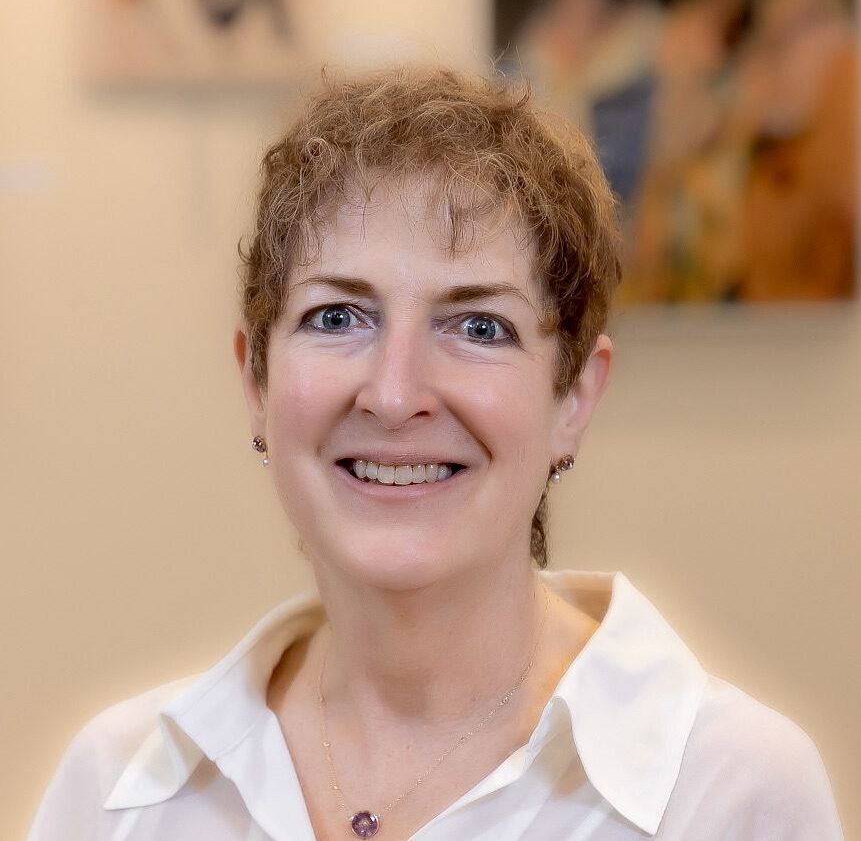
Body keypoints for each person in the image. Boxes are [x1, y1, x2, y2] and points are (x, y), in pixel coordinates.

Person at [27, 68, 844, 840]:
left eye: (478, 326)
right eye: (338, 316)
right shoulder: (118, 789)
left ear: (573, 399)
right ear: (255, 380)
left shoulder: (733, 792)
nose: (393, 392)